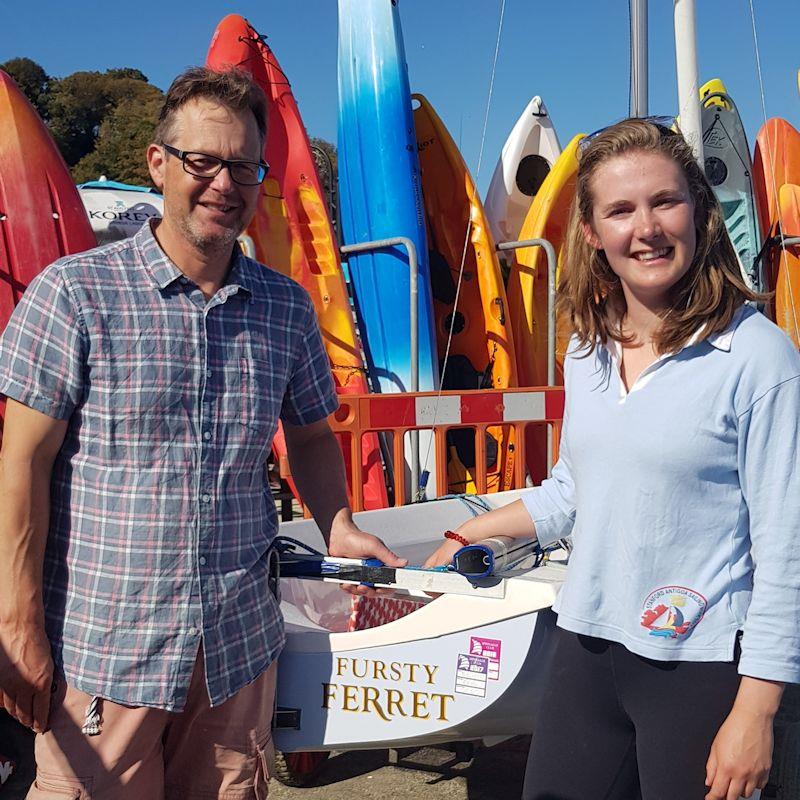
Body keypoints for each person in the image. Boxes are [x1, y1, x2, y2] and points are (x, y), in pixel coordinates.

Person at [0, 66, 404, 799]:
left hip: (235, 653)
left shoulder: (284, 307)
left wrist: (338, 523)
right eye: (202, 161)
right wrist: (16, 622)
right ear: (157, 164)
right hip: (105, 654)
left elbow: (310, 435)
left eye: (243, 166)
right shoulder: (75, 294)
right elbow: (22, 464)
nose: (224, 183)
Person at [425, 117, 800, 800]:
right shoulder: (587, 349)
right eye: (621, 210)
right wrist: (470, 530)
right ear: (592, 231)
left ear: (700, 210)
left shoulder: (758, 357)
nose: (647, 227)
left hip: (704, 666)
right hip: (587, 649)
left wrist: (758, 710)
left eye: (665, 201)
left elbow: (788, 549)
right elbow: (575, 489)